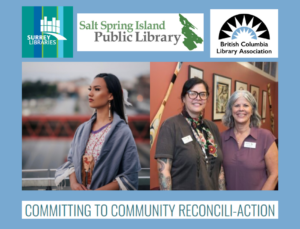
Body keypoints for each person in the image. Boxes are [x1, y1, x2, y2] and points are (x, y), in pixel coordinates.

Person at [55, 73, 141, 190]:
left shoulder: (123, 132)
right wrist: (74, 183)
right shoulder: (81, 129)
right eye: (90, 89)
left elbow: (130, 176)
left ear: (110, 96)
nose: (90, 93)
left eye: (97, 89)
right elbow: (71, 162)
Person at [155, 78, 225, 190]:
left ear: (207, 99)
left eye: (202, 94)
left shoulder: (212, 128)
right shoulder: (170, 125)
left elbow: (219, 169)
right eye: (192, 93)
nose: (198, 98)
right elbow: (164, 171)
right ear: (183, 98)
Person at [221, 90, 278, 190]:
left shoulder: (265, 137)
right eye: (237, 105)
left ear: (252, 110)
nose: (241, 109)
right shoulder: (222, 138)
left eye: (246, 105)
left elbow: (275, 173)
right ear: (231, 110)